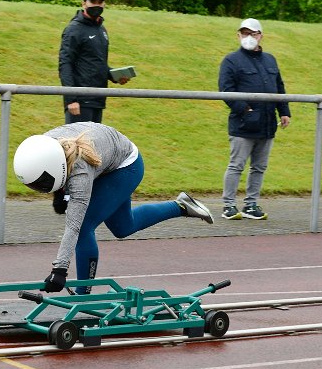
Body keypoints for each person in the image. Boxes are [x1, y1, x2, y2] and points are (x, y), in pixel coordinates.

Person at [13, 122, 214, 294]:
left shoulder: (80, 174)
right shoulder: (44, 145)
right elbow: (60, 169)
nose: (38, 188)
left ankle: (83, 295)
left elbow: (73, 226)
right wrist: (59, 191)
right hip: (105, 158)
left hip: (126, 166)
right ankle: (181, 206)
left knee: (83, 227)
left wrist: (59, 270)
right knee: (124, 227)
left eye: (41, 183)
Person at [218, 18, 291, 221]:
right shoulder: (231, 60)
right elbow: (226, 90)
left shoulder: (270, 60)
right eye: (245, 33)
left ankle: (251, 204)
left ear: (260, 36)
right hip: (243, 124)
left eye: (253, 33)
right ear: (238, 35)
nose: (248, 37)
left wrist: (284, 111)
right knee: (236, 165)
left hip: (267, 124)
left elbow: (279, 87)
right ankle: (229, 205)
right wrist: (246, 110)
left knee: (259, 167)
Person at [58, 0, 130, 125]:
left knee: (95, 139)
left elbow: (97, 63)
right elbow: (65, 64)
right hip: (80, 102)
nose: (97, 5)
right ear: (84, 4)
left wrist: (115, 76)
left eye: (100, 2)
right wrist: (71, 99)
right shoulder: (73, 29)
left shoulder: (101, 29)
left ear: (104, 4)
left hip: (98, 99)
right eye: (93, 2)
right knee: (79, 139)